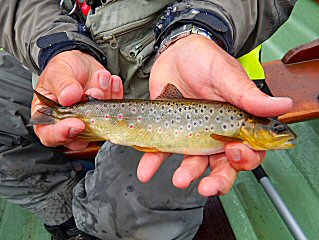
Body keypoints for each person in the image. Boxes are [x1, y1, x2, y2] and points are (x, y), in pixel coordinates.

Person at [0, 0, 296, 239]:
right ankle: (66, 216)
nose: (282, 133)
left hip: (200, 72)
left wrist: (200, 28)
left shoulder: (237, 125)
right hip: (79, 49)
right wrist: (57, 47)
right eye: (277, 129)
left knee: (128, 219)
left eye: (276, 129)